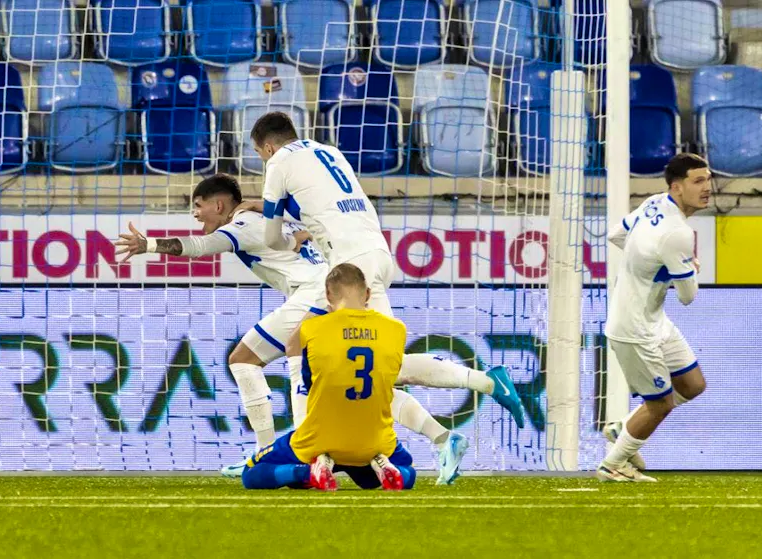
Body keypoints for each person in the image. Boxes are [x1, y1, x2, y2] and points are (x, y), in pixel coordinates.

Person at [116, 175, 514, 483]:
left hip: (318, 292)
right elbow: (299, 225)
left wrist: (148, 245)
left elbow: (199, 249)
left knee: (244, 360)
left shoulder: (242, 226)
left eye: (199, 207)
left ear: (220, 205)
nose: (197, 216)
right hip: (343, 282)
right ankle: (458, 419)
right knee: (380, 375)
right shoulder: (267, 218)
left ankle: (273, 450)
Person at [247, 111, 525, 467]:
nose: (263, 159)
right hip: (377, 253)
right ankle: (455, 422)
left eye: (260, 153)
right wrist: (301, 224)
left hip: (348, 265)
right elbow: (325, 207)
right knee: (380, 368)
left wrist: (292, 239)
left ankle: (307, 449)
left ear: (268, 146)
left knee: (299, 347)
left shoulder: (278, 163)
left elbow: (271, 237)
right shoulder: (329, 151)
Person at [242, 263, 416, 491]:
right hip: (372, 440)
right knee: (407, 469)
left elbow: (308, 381)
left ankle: (308, 471)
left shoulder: (311, 329)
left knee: (252, 472)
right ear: (368, 294)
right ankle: (381, 465)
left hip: (318, 438)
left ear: (327, 295)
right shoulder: (397, 330)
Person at [597, 153, 711, 482]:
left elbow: (617, 235)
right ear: (677, 187)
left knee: (693, 385)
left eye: (708, 179)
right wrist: (683, 268)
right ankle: (613, 465)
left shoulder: (654, 202)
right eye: (698, 181)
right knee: (659, 405)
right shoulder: (678, 234)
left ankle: (624, 429)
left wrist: (649, 268)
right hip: (634, 328)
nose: (707, 188)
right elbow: (689, 297)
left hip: (654, 319)